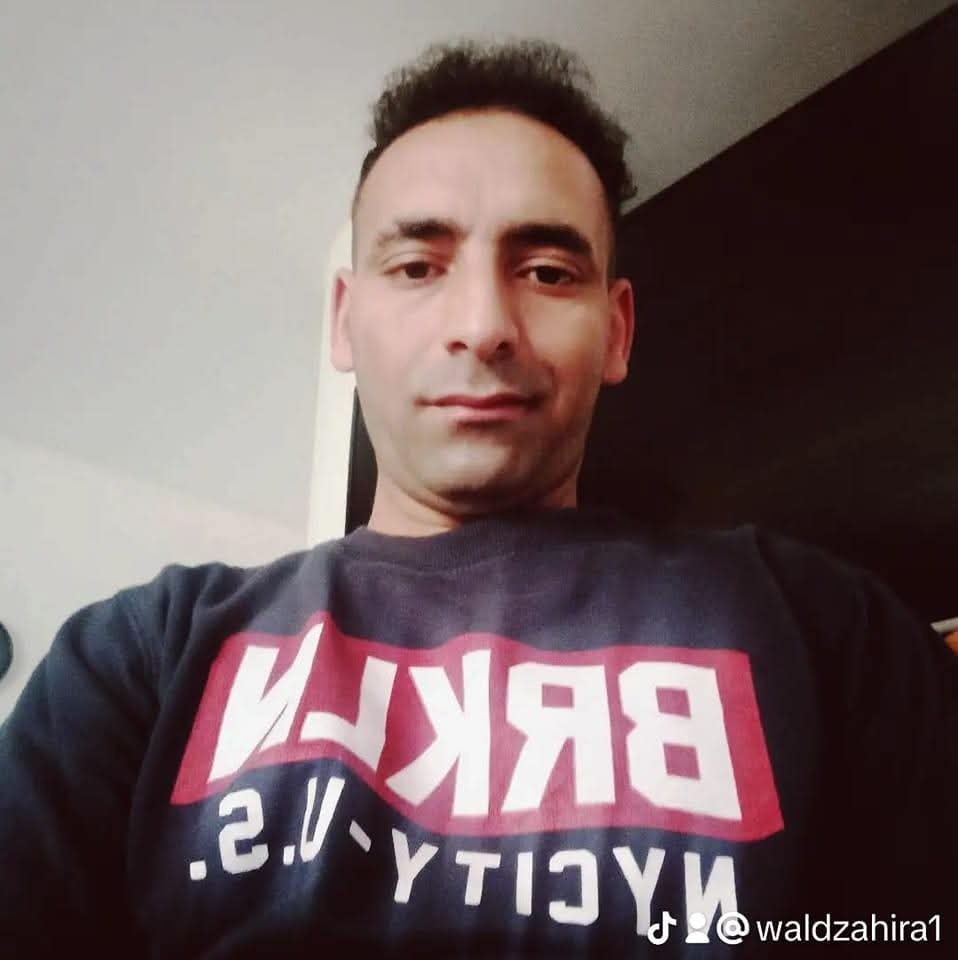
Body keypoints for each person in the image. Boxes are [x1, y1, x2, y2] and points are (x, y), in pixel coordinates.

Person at [0, 39, 955, 959]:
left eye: (546, 272)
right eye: (418, 266)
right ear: (345, 320)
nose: (483, 325)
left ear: (617, 331)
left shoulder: (826, 628)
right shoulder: (145, 655)